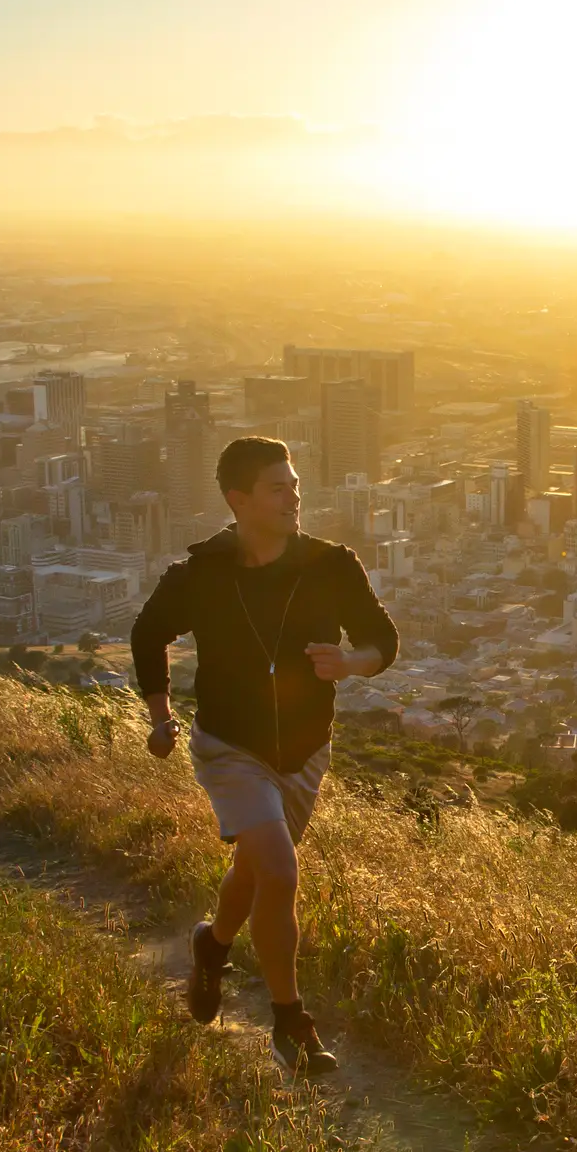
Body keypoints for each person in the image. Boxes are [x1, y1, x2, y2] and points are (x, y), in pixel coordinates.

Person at [130, 436, 397, 1076]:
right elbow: (148, 633)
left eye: (295, 486)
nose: (293, 497)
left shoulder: (333, 566)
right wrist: (161, 715)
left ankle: (211, 946)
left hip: (306, 752)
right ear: (238, 500)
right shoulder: (201, 574)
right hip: (230, 748)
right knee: (278, 870)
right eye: (278, 488)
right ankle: (289, 1023)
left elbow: (381, 638)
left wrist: (353, 663)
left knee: (254, 873)